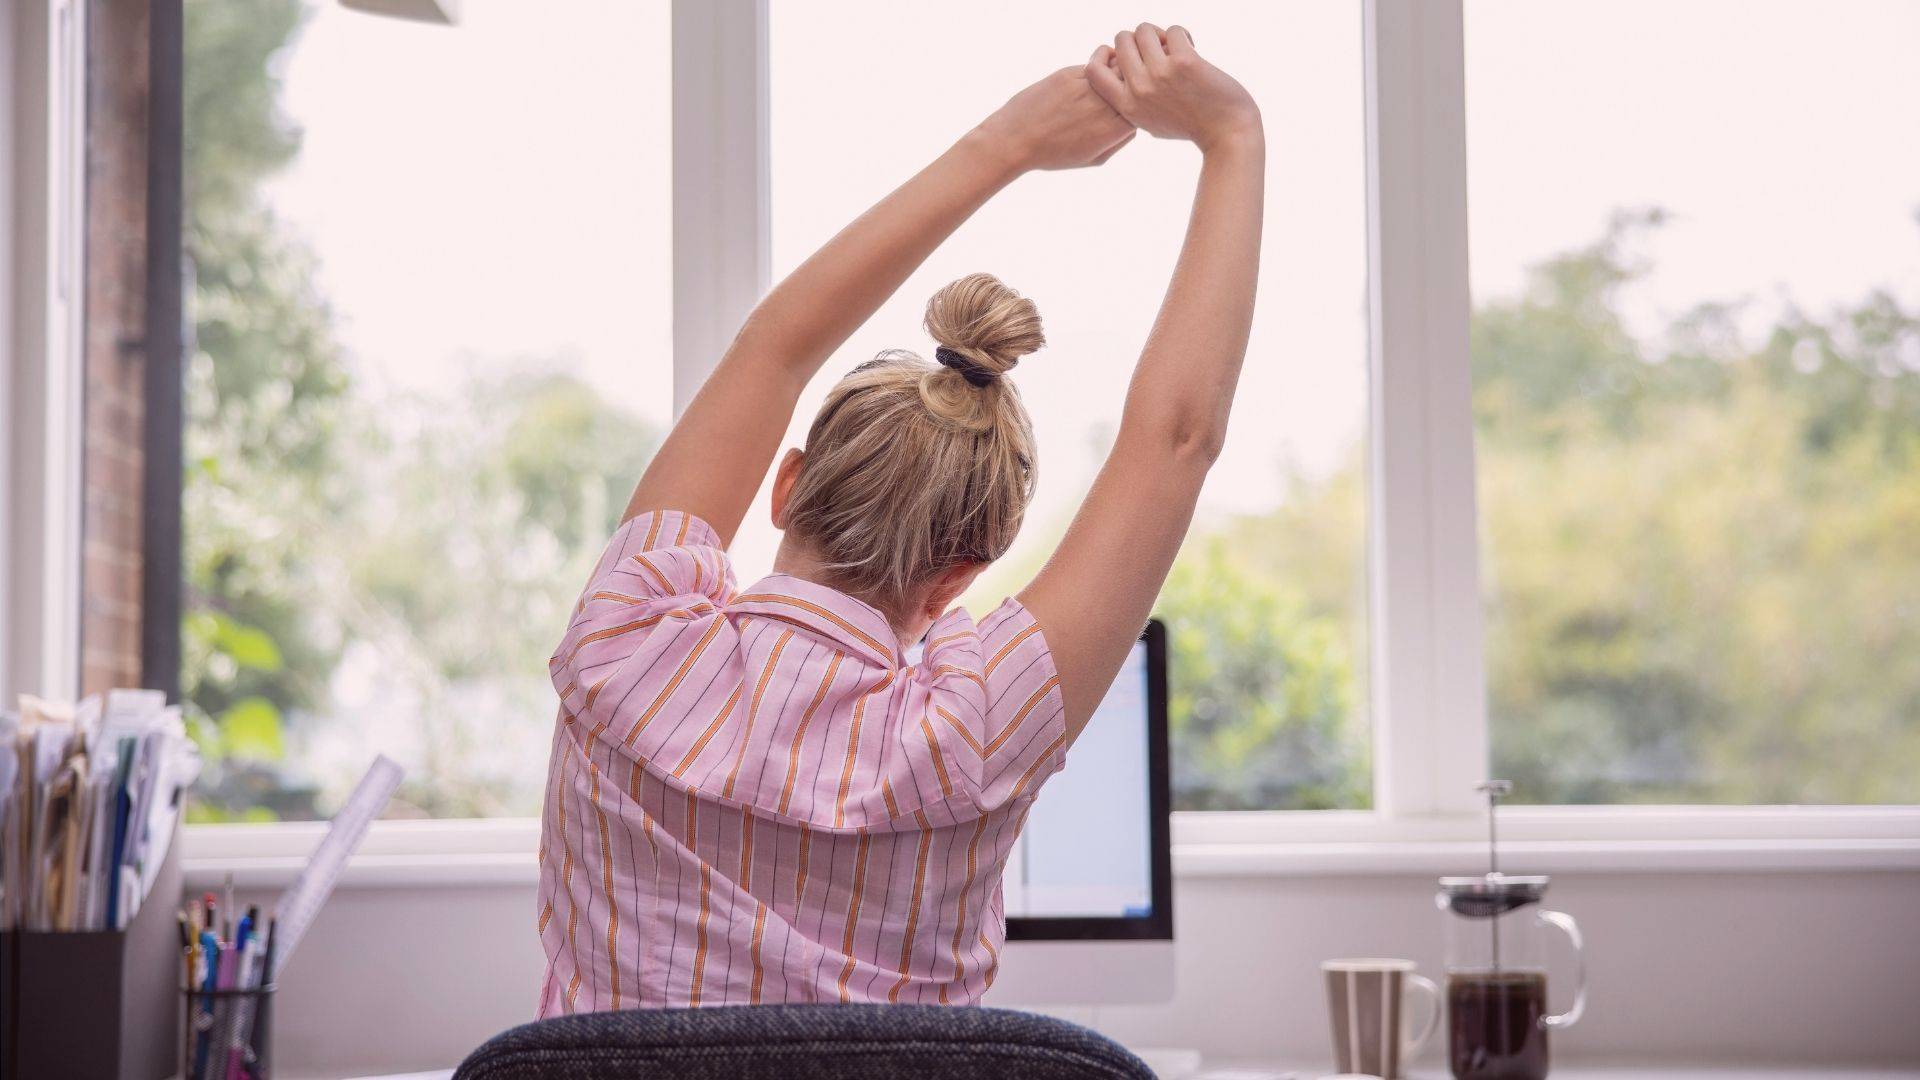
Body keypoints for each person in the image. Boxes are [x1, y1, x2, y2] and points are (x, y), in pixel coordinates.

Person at [537, 23, 1263, 1014]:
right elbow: (1175, 444)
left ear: (785, 484)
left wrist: (1007, 144)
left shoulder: (628, 634)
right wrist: (1233, 138)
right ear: (963, 570)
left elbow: (773, 352)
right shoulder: (972, 728)